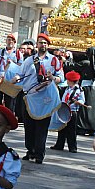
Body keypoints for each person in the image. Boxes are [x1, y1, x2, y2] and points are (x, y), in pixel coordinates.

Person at [18, 33, 62, 164]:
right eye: (40, 42)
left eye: (45, 43)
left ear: (48, 45)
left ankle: (39, 153)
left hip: (44, 98)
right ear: (36, 45)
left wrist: (53, 78)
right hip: (30, 97)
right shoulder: (29, 60)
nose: (42, 45)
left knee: (42, 127)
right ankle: (29, 150)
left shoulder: (54, 60)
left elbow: (61, 78)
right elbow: (20, 74)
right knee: (29, 126)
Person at [50, 71, 85, 153]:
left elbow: (82, 100)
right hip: (64, 110)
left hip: (72, 111)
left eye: (68, 80)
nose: (67, 81)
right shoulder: (67, 88)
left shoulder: (79, 90)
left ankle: (72, 147)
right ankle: (59, 144)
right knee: (61, 128)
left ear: (72, 81)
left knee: (71, 130)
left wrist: (78, 102)